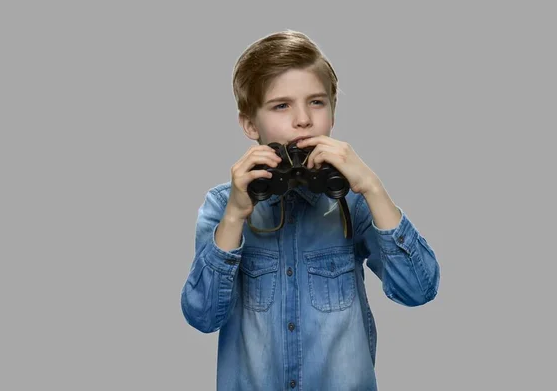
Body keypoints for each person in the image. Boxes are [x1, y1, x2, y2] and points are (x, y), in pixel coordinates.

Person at [180, 29, 441, 391]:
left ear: (333, 113)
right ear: (250, 124)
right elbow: (203, 316)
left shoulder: (353, 202)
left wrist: (373, 189)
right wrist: (235, 216)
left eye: (316, 102)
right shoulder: (221, 206)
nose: (302, 119)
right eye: (281, 105)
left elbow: (419, 290)